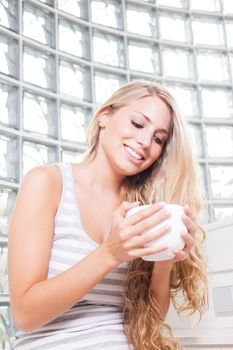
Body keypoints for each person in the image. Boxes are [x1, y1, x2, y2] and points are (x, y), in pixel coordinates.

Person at [8, 80, 208, 350]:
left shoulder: (142, 208)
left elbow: (152, 317)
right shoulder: (48, 184)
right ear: (105, 116)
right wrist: (110, 253)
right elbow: (25, 315)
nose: (146, 142)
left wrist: (165, 258)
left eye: (159, 138)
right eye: (138, 124)